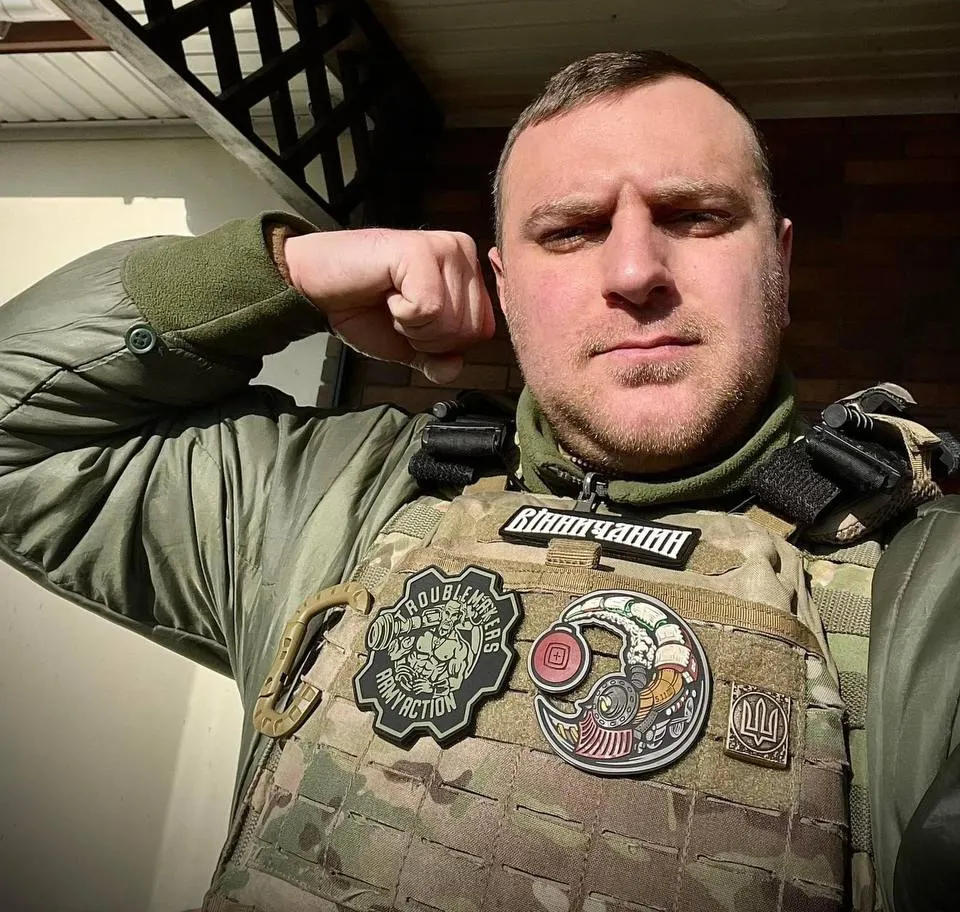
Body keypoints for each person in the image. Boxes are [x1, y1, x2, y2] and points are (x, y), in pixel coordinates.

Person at [0, 51, 949, 912]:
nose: (634, 271)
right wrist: (285, 270)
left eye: (695, 216)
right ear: (503, 282)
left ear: (778, 259)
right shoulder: (335, 498)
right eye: (571, 231)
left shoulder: (929, 588)